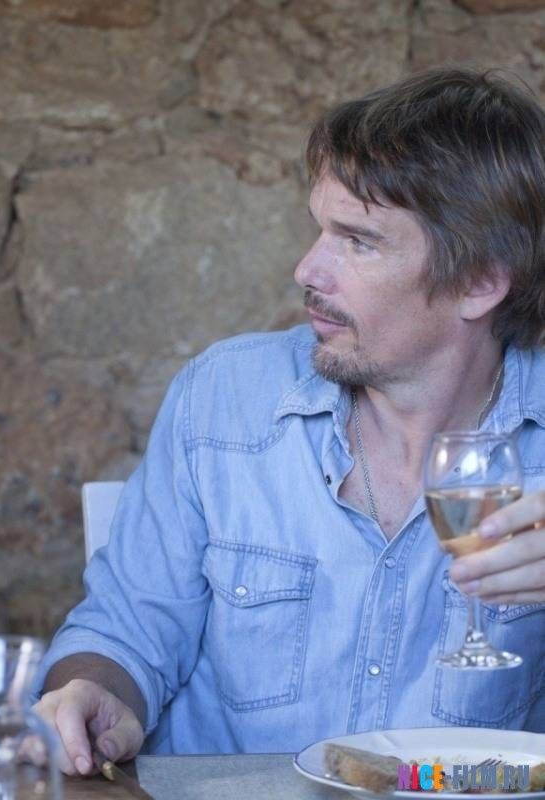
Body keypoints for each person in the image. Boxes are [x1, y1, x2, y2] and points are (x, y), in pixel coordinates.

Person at [34, 68, 545, 773]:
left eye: (358, 241)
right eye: (319, 230)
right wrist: (94, 691)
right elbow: (126, 629)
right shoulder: (224, 396)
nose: (307, 269)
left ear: (479, 282)